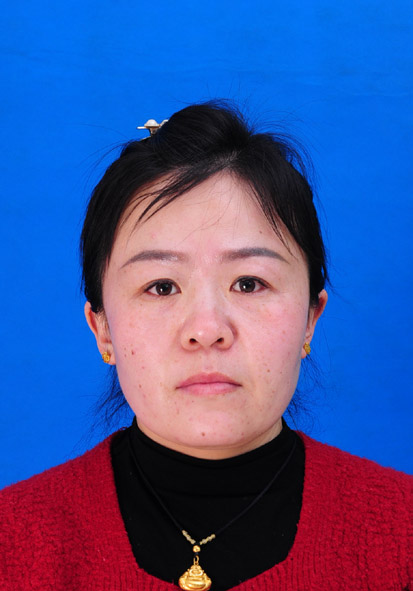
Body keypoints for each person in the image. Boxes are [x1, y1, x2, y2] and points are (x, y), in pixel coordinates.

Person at [1, 102, 411, 591]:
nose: (207, 329)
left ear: (310, 318)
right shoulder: (13, 541)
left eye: (249, 283)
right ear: (102, 328)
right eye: (161, 287)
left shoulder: (402, 532)